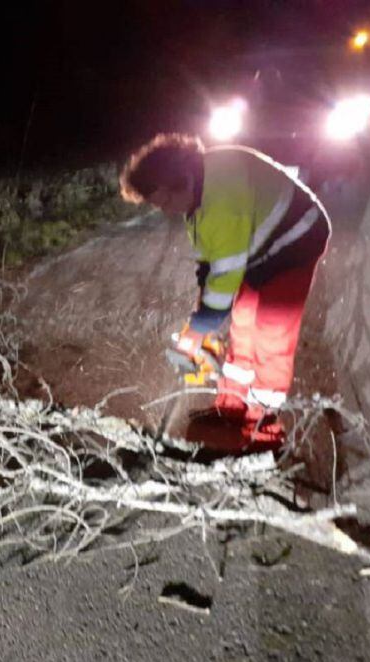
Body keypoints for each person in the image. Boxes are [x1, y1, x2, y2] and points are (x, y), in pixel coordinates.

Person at [119, 132, 331, 447]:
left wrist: (198, 330)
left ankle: (262, 424)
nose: (165, 210)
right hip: (258, 246)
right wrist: (199, 320)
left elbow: (225, 278)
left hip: (294, 242)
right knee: (242, 324)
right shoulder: (196, 196)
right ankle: (231, 406)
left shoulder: (220, 200)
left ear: (179, 181)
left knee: (270, 334)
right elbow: (210, 267)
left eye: (165, 201)